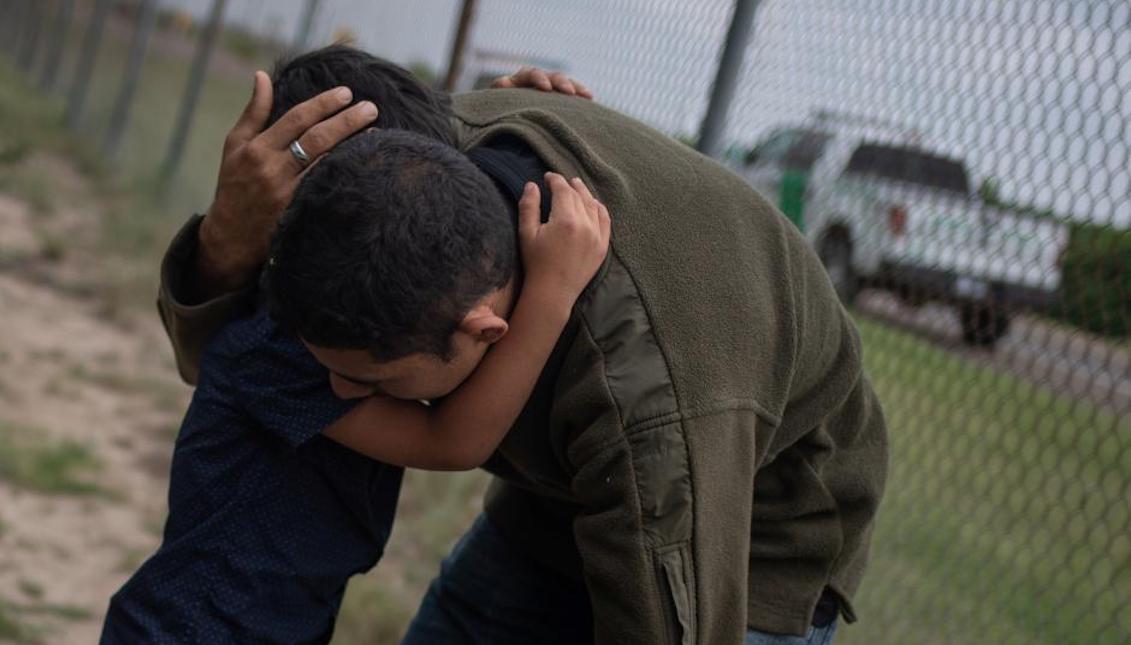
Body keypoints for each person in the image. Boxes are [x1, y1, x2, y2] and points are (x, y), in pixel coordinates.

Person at [159, 46, 889, 645]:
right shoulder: (394, 191)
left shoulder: (640, 388)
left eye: (377, 380)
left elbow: (675, 612)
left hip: (746, 534)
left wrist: (549, 301)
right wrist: (229, 235)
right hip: (566, 496)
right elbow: (232, 358)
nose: (338, 390)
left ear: (484, 328)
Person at [102, 49, 599, 644]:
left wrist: (513, 110)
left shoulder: (351, 303)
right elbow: (451, 440)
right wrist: (551, 293)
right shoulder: (285, 348)